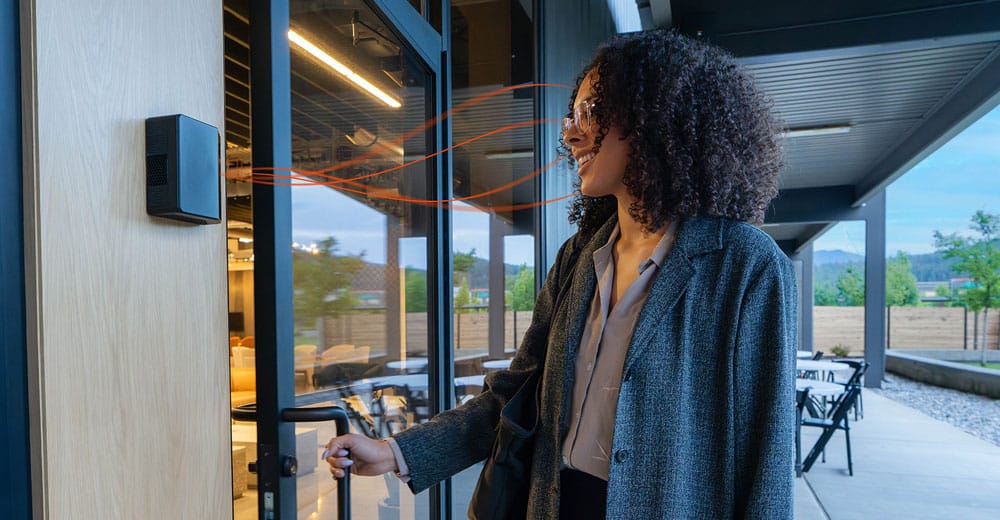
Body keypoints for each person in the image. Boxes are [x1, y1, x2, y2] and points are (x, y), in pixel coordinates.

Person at [324, 29, 797, 519]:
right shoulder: (580, 257)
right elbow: (516, 394)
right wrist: (395, 452)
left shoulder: (743, 264)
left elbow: (767, 456)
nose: (571, 132)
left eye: (592, 112)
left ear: (656, 116)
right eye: (573, 115)